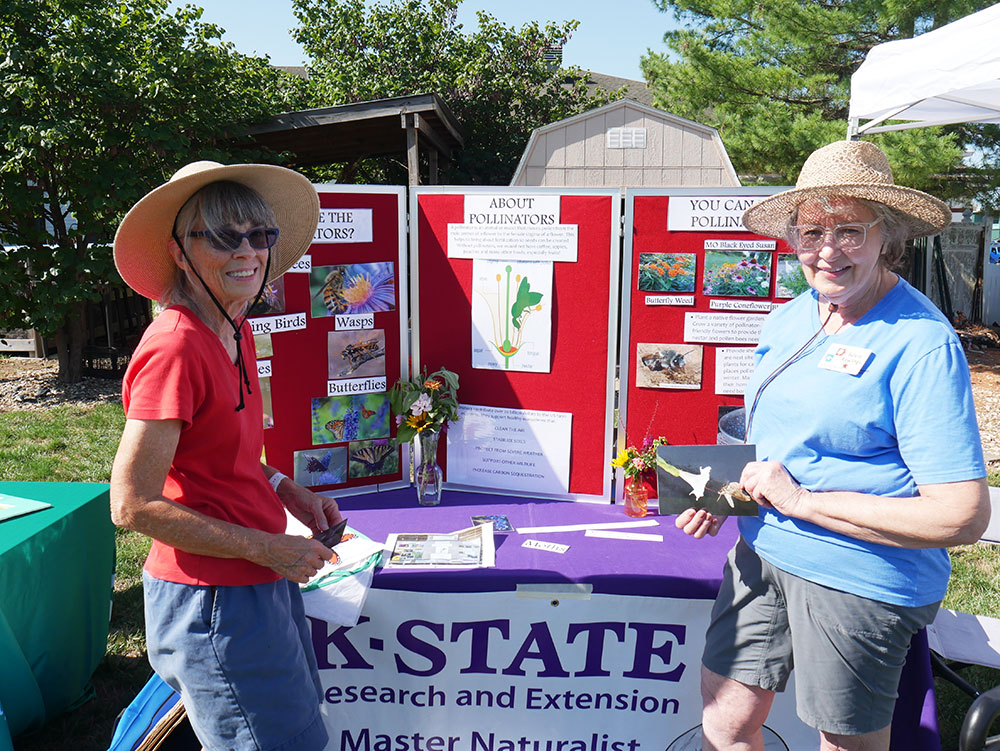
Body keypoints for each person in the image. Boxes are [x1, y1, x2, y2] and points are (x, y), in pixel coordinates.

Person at [675, 140, 990, 751]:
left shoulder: (920, 342)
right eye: (811, 229)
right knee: (724, 719)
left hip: (859, 573)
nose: (827, 250)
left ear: (886, 234)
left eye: (850, 230)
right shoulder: (791, 316)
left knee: (844, 745)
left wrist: (802, 502)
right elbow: (778, 437)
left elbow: (961, 514)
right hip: (763, 550)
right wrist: (727, 490)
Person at [110, 161, 340, 751]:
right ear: (181, 252)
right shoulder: (176, 347)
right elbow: (132, 505)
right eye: (220, 235)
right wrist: (272, 547)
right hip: (214, 598)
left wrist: (285, 487)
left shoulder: (231, 328)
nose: (247, 251)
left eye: (258, 235)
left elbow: (216, 455)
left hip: (254, 579)